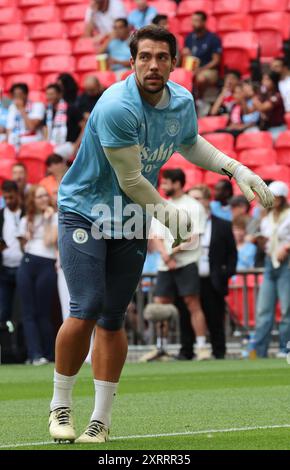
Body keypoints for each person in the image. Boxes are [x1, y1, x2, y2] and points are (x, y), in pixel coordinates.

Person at [49, 25, 274, 444]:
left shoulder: (183, 100)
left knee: (113, 318)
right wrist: (170, 215)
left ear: (174, 62)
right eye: (144, 57)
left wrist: (236, 168)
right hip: (86, 211)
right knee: (87, 305)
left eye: (162, 57)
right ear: (132, 62)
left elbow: (189, 144)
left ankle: (100, 420)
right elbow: (132, 178)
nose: (153, 64)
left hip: (133, 215)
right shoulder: (118, 105)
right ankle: (61, 404)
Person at [152, 169, 210, 360]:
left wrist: (171, 253)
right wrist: (167, 256)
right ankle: (161, 348)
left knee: (193, 303)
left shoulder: (193, 206)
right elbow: (156, 236)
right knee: (161, 304)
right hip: (166, 263)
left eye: (167, 182)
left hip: (186, 262)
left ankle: (201, 347)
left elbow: (193, 238)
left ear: (177, 183)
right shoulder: (162, 205)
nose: (163, 186)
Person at [190, 184, 237, 359]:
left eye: (197, 199)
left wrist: (227, 273)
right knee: (187, 316)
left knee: (215, 317)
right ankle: (187, 351)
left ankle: (219, 352)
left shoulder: (223, 224)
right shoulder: (183, 223)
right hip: (189, 276)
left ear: (207, 200)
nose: (193, 203)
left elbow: (232, 252)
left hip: (213, 277)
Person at [17, 185, 58, 365]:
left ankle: (48, 354)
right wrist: (30, 230)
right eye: (38, 197)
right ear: (33, 200)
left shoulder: (55, 217)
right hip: (27, 262)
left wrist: (48, 220)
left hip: (46, 262)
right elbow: (23, 245)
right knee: (28, 312)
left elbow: (50, 241)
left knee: (43, 311)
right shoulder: (26, 219)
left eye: (44, 196)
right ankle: (34, 354)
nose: (42, 199)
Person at [255, 181, 290, 358]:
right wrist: (261, 242)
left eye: (276, 196)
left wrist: (287, 247)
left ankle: (286, 347)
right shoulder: (266, 218)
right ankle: (259, 350)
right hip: (271, 262)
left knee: (287, 309)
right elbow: (267, 240)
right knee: (264, 310)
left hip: (287, 264)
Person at [0, 181, 24, 324]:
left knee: (22, 311)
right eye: (6, 198)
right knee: (3, 310)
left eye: (11, 197)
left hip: (24, 268)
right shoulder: (1, 215)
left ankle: (20, 345)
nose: (8, 201)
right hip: (4, 269)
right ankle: (5, 345)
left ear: (17, 195)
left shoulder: (27, 212)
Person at [183, 11, 222, 97]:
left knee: (200, 78)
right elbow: (186, 57)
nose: (193, 23)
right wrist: (186, 55)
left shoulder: (213, 38)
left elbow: (216, 61)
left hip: (209, 70)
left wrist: (201, 69)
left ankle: (200, 99)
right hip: (192, 69)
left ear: (204, 22)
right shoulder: (189, 37)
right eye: (193, 20)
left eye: (196, 20)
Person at [43, 84, 84, 160]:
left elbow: (84, 127)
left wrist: (76, 145)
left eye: (52, 94)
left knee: (54, 154)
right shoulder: (48, 112)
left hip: (70, 145)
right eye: (47, 94)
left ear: (60, 94)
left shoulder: (71, 109)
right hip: (53, 144)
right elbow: (46, 132)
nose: (49, 97)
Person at [6, 83, 45, 149]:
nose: (17, 97)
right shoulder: (12, 107)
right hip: (15, 140)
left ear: (26, 94)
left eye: (20, 94)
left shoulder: (37, 106)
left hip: (31, 140)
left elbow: (31, 127)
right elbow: (9, 129)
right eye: (15, 95)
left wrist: (22, 109)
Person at [252, 72, 286, 139]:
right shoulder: (264, 96)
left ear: (274, 81)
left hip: (277, 128)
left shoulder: (277, 96)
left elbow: (262, 108)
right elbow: (250, 110)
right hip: (265, 128)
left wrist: (253, 96)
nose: (263, 82)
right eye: (263, 79)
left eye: (267, 79)